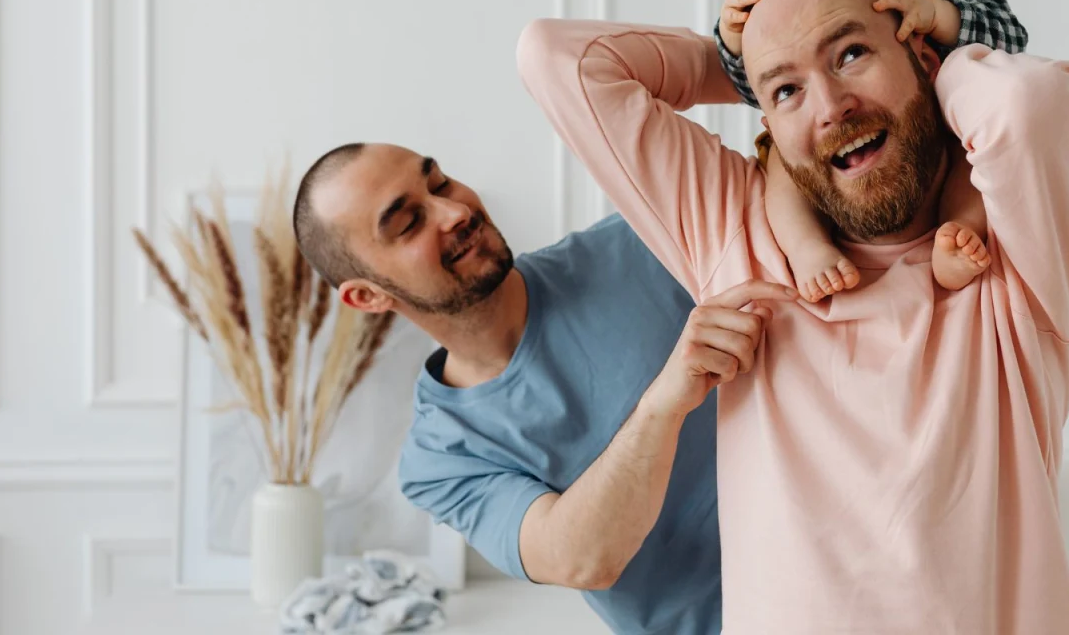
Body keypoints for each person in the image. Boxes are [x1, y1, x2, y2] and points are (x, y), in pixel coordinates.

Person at [518, 0, 1069, 633]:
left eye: (852, 53)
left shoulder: (1016, 262)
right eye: (789, 91)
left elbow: (1028, 105)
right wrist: (740, 62)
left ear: (920, 52)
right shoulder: (740, 238)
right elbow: (555, 57)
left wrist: (933, 50)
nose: (831, 107)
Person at [291, 144, 795, 634]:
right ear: (368, 296)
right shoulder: (442, 458)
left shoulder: (646, 239)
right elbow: (580, 560)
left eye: (439, 182)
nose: (453, 211)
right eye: (408, 223)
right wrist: (663, 405)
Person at [713, 0, 1028, 301]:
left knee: (978, 158)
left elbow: (1010, 37)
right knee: (779, 157)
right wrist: (735, 37)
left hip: (934, 134)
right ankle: (806, 248)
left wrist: (936, 13)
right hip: (852, 158)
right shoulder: (804, 1)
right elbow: (759, 88)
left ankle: (959, 234)